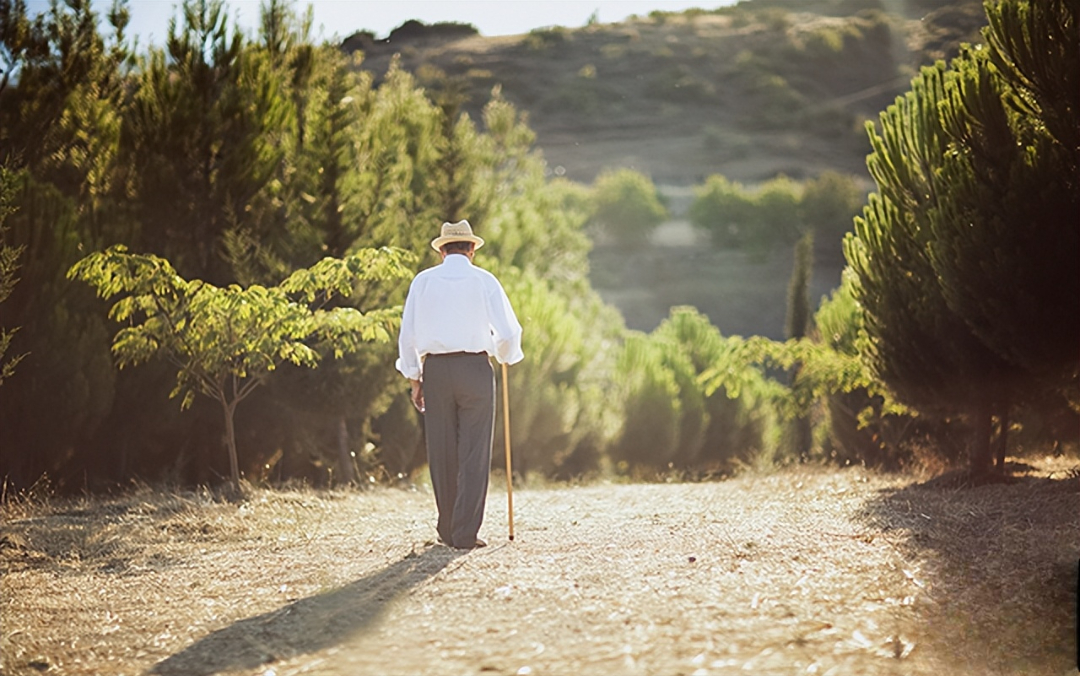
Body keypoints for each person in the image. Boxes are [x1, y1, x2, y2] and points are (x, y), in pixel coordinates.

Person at [396, 220, 524, 549]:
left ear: (441, 250)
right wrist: (502, 354)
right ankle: (465, 534)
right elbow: (509, 334)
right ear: (471, 250)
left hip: (435, 371)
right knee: (474, 451)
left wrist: (415, 379)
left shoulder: (422, 282)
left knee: (441, 451)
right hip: (475, 370)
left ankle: (447, 529)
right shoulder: (485, 281)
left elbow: (407, 336)